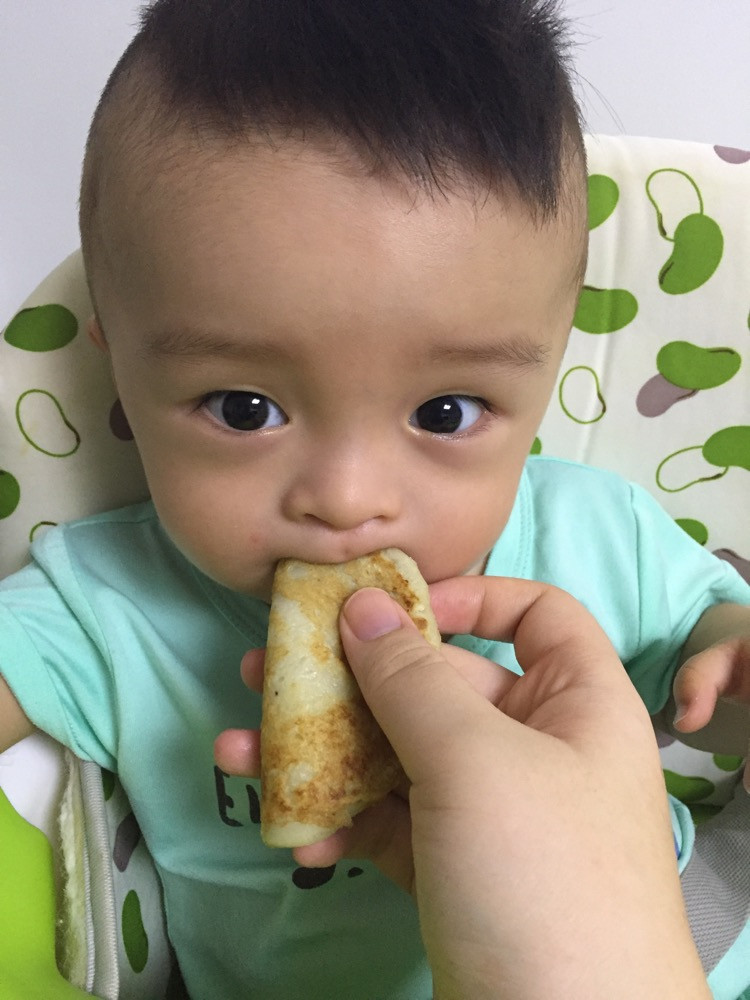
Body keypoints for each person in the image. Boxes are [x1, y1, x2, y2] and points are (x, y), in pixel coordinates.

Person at [0, 0, 748, 996]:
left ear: (548, 368)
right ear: (122, 368)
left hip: (669, 953)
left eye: (445, 411)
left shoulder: (594, 532)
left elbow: (711, 620)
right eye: (243, 405)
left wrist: (729, 639)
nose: (346, 500)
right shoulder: (105, 604)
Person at [217, 580, 712, 1000]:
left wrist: (730, 652)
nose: (344, 499)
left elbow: (698, 644)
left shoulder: (604, 527)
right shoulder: (139, 586)